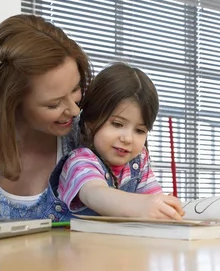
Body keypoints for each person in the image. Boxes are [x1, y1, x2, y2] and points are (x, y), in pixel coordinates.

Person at [0, 14, 92, 221]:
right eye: (54, 104)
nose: (75, 111)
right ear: (10, 103)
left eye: (76, 89)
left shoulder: (91, 138)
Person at [51, 62, 184, 220]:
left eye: (140, 130)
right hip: (77, 244)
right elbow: (95, 194)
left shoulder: (139, 161)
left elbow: (152, 199)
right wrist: (142, 206)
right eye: (117, 124)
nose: (127, 138)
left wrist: (165, 208)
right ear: (90, 123)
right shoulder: (80, 161)